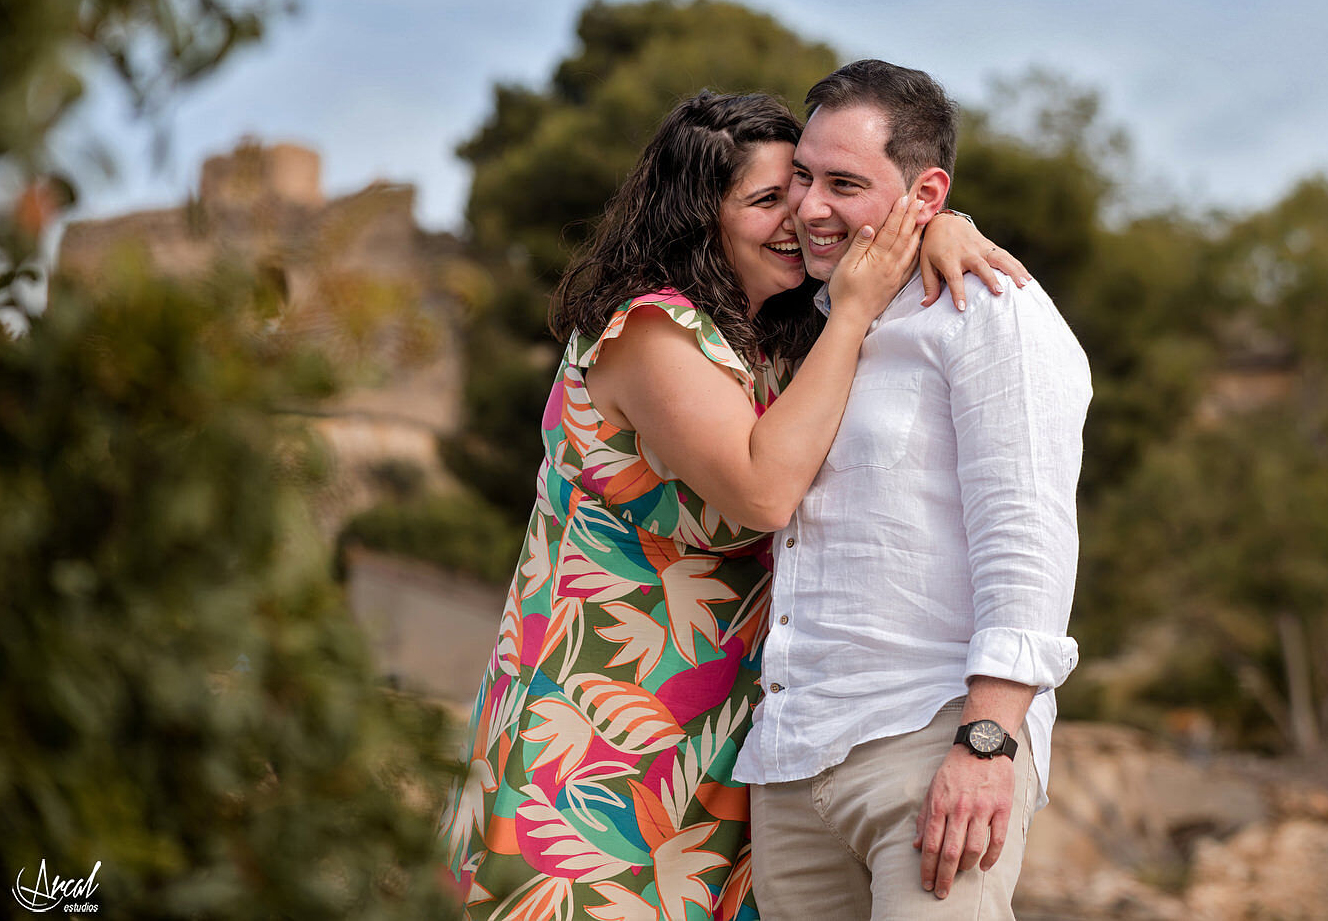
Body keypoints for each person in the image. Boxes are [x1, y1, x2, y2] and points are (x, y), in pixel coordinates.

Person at [436, 89, 1028, 921]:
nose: (802, 217)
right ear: (696, 218)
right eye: (766, 200)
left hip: (720, 753)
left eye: (809, 191)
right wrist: (857, 307)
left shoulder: (769, 347)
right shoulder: (651, 332)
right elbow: (762, 493)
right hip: (596, 744)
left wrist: (941, 227)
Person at [736, 60, 1091, 920]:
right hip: (790, 764)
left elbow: (1028, 532)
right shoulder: (807, 327)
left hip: (931, 742)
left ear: (925, 192)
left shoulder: (992, 312)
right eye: (804, 179)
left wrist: (987, 742)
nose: (812, 208)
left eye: (845, 184)